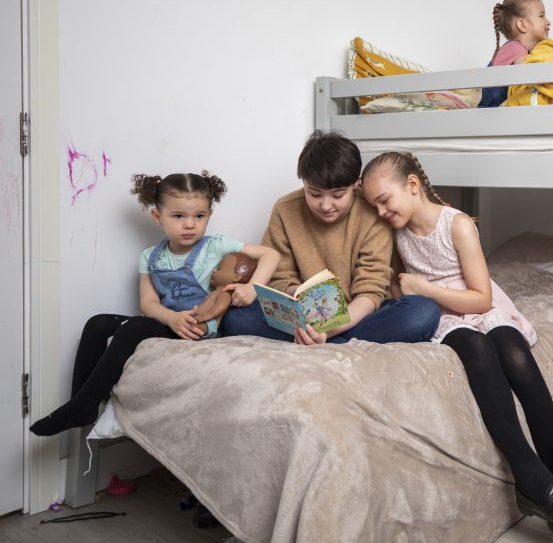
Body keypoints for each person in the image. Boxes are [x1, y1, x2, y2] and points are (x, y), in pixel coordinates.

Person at [360, 151, 553, 522]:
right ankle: (529, 478)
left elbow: (481, 299)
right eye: (374, 206)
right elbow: (402, 288)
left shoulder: (457, 225)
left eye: (385, 201)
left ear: (412, 186)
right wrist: (408, 292)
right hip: (445, 316)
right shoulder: (396, 235)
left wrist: (424, 288)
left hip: (477, 301)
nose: (381, 212)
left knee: (512, 351)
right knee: (478, 351)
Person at [29, 171, 280, 437]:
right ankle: (80, 402)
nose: (190, 225)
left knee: (135, 326)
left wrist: (252, 287)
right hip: (171, 322)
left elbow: (270, 254)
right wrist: (171, 319)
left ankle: (85, 402)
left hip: (199, 327)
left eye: (199, 216)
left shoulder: (216, 246)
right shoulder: (150, 257)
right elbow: (148, 302)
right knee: (98, 323)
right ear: (157, 217)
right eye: (178, 216)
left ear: (209, 215)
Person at [220, 131, 441, 345]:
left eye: (338, 195)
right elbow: (278, 279)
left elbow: (370, 291)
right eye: (314, 194)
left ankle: (330, 341)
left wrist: (327, 331)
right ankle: (338, 342)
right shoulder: (285, 209)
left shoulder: (373, 213)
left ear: (356, 184)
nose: (326, 206)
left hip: (358, 316)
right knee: (235, 315)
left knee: (423, 311)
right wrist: (308, 310)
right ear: (303, 182)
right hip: (304, 317)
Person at [479, 0, 551, 108]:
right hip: (492, 110)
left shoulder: (525, 50)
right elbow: (528, 73)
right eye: (541, 16)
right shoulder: (514, 48)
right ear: (522, 25)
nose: (548, 21)